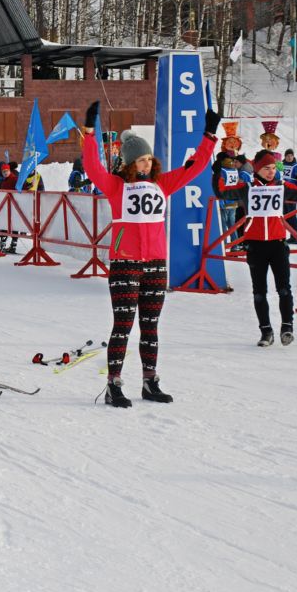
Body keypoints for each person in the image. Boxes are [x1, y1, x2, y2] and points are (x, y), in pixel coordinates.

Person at [80, 101, 219, 407]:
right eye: (139, 161)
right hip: (125, 263)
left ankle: (149, 381)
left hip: (156, 264)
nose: (145, 165)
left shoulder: (162, 184)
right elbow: (92, 167)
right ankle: (114, 384)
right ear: (128, 164)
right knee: (123, 324)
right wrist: (90, 132)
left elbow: (195, 166)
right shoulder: (116, 186)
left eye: (148, 159)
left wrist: (209, 135)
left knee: (150, 325)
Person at [217, 150, 297, 346]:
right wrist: (217, 173)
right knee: (259, 292)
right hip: (256, 246)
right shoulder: (247, 187)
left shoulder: (281, 186)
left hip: (277, 245)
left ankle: (287, 327)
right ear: (257, 169)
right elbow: (222, 192)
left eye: (274, 168)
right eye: (267, 168)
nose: (271, 172)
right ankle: (266, 331)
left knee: (284, 289)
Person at [281, 148, 297, 241]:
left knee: (291, 215)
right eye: (288, 156)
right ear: (285, 156)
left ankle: (296, 236)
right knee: (283, 215)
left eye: (291, 155)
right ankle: (291, 235)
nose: (289, 157)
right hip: (282, 193)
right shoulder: (281, 165)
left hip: (292, 193)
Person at [0, 162, 19, 253]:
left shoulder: (14, 179)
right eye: (3, 171)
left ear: (9, 171)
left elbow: (19, 188)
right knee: (6, 225)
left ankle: (12, 245)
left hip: (14, 206)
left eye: (6, 171)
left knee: (14, 226)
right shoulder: (4, 181)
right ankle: (3, 245)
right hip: (7, 206)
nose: (5, 173)